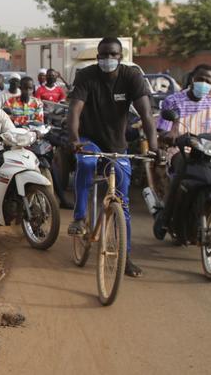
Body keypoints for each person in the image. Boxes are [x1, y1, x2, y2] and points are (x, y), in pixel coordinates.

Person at [66, 37, 158, 278]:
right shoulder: (86, 76)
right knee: (86, 162)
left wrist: (155, 146)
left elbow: (146, 114)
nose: (108, 59)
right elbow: (75, 109)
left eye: (113, 54)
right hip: (89, 139)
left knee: (123, 203)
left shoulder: (132, 77)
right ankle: (79, 217)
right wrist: (75, 139)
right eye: (104, 55)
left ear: (121, 56)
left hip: (117, 144)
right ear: (98, 57)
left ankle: (125, 259)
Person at [154, 64, 211, 237]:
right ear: (192, 78)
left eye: (207, 81)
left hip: (208, 152)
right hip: (180, 149)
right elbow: (164, 131)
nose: (203, 83)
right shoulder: (173, 100)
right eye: (200, 79)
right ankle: (165, 218)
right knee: (183, 168)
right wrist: (172, 135)